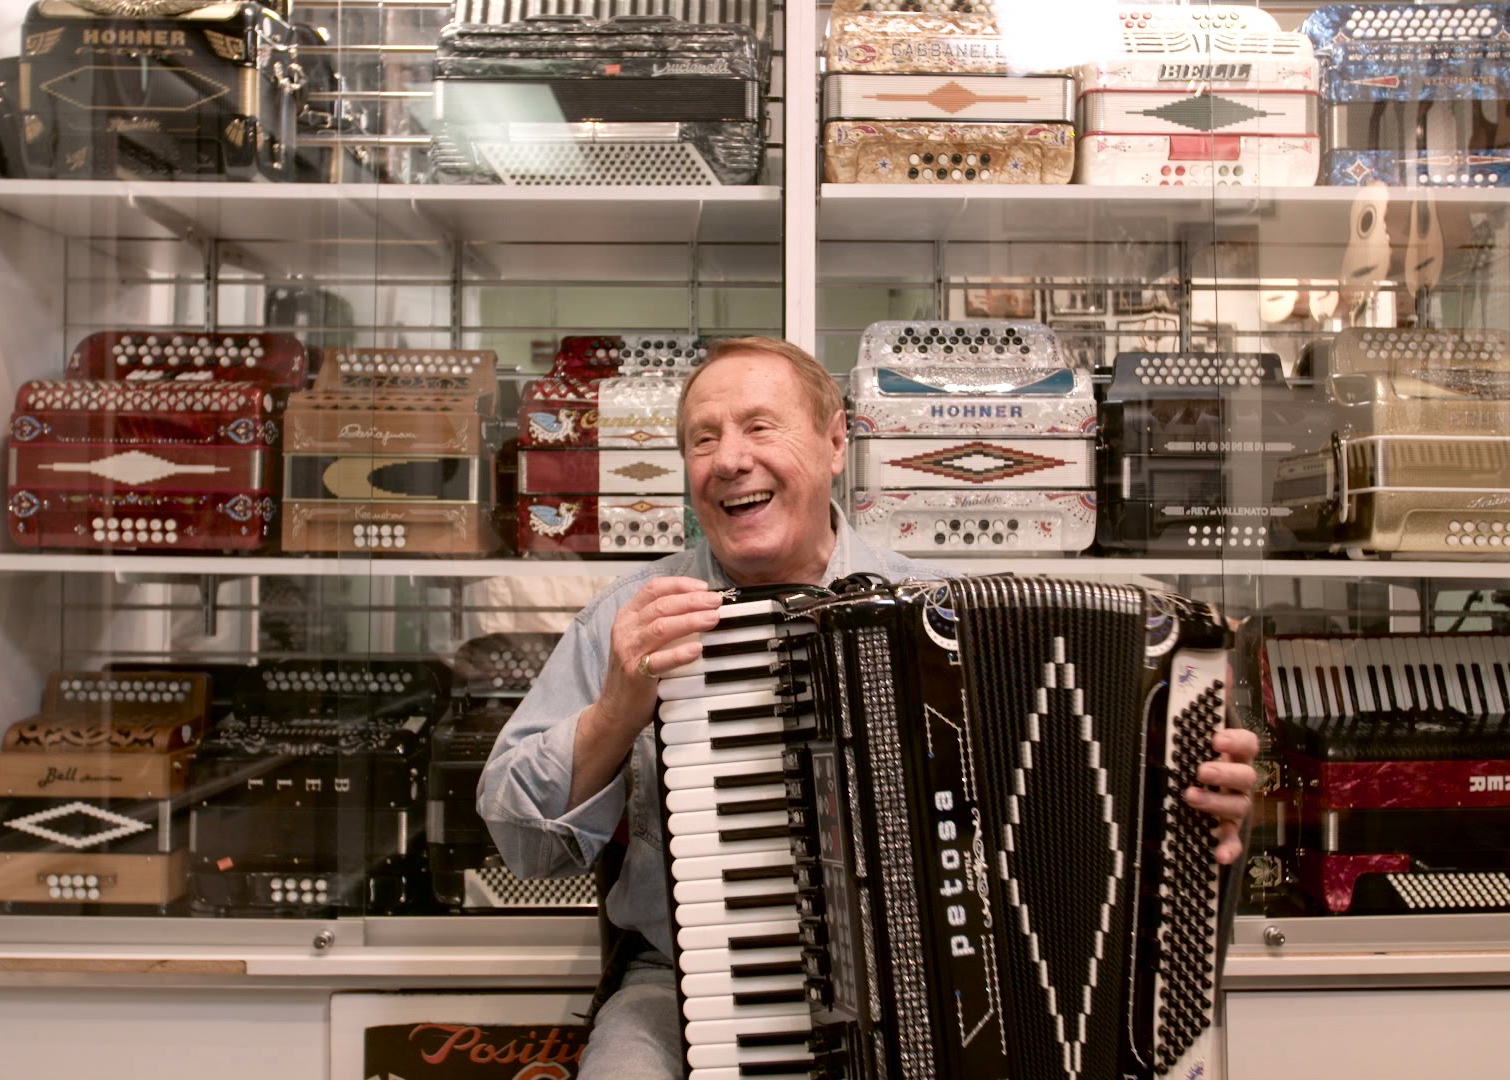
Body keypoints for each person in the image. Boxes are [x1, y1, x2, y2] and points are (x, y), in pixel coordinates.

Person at [477, 336, 1260, 1078]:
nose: (730, 460)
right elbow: (521, 843)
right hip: (684, 986)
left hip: (936, 987)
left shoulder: (946, 617)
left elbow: (1082, 826)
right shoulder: (632, 617)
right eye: (703, 439)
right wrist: (619, 705)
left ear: (835, 442)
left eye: (758, 427)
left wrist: (1195, 814)